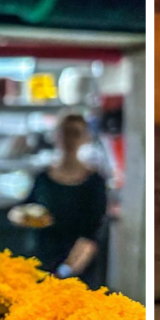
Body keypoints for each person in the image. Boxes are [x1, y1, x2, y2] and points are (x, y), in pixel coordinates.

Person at [18, 114, 107, 286]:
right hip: (40, 263)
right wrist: (26, 217)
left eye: (75, 133)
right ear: (55, 136)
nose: (69, 139)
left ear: (85, 138)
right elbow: (23, 209)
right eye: (64, 132)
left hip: (78, 269)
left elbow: (91, 235)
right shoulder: (42, 178)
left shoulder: (94, 182)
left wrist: (66, 271)